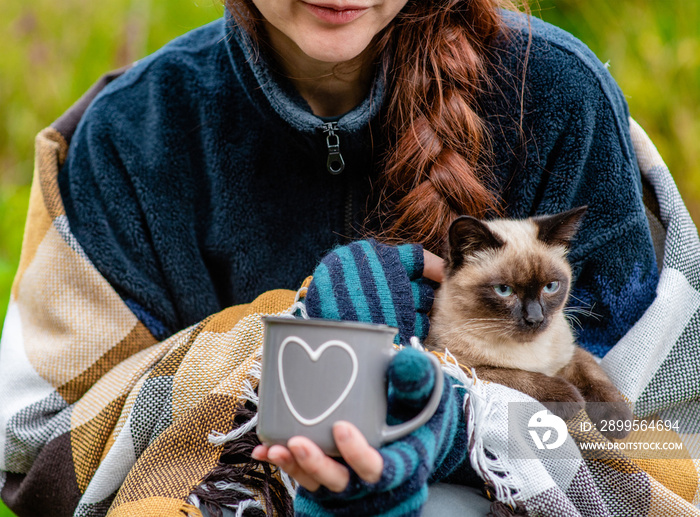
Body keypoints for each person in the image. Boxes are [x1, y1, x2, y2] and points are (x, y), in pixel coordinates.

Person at [0, 0, 659, 515]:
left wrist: (454, 427)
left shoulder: (560, 101)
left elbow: (661, 450)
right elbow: (38, 450)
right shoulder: (132, 133)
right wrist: (294, 336)